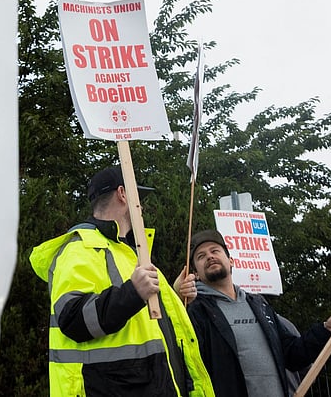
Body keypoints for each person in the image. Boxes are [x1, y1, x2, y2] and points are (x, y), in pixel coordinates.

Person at [29, 166, 215, 397]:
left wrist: (173, 297)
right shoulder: (80, 249)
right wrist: (133, 292)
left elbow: (142, 326)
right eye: (139, 198)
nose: (143, 207)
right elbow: (72, 317)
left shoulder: (127, 252)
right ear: (122, 194)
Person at [180, 229, 331, 397]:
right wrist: (180, 299)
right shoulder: (195, 312)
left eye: (215, 251)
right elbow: (186, 369)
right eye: (201, 256)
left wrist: (325, 329)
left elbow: (292, 355)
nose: (210, 257)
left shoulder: (259, 305)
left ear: (231, 260)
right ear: (195, 273)